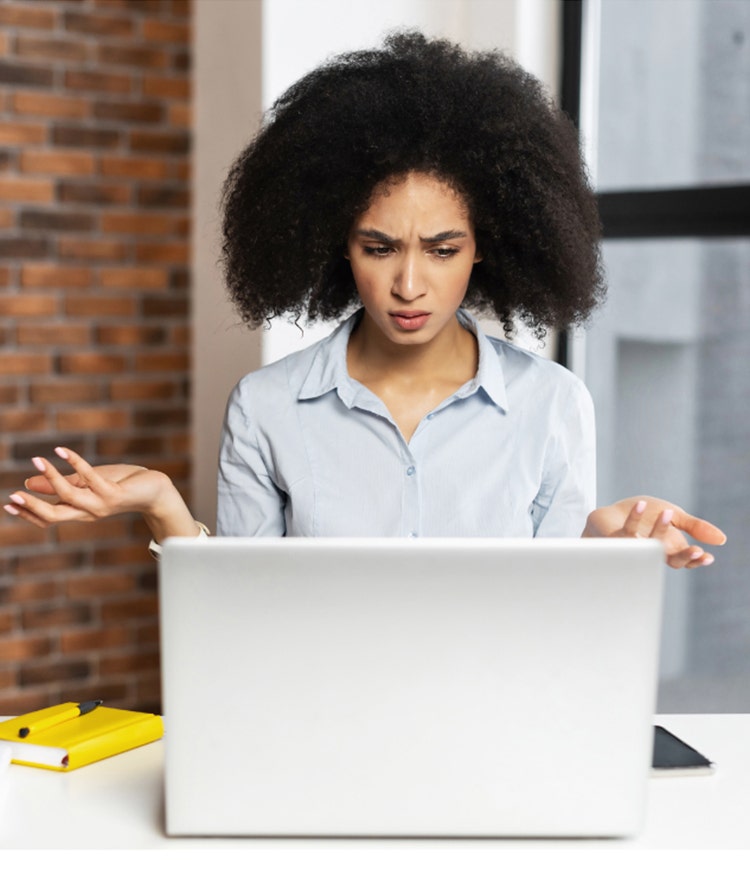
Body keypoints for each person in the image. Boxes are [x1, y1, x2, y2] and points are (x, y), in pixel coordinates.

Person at [4, 31, 725, 568]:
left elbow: (554, 621)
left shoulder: (553, 404)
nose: (408, 286)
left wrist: (603, 553)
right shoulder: (267, 408)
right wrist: (163, 504)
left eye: (442, 250)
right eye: (378, 248)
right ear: (333, 244)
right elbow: (248, 618)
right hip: (318, 723)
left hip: (491, 729)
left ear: (489, 246)